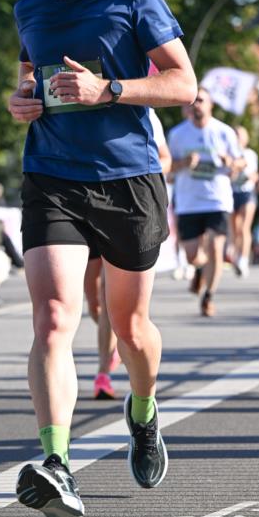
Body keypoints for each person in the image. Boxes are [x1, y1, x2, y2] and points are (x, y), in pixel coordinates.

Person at [8, 0, 196, 517]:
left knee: (130, 328)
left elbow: (183, 84)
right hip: (51, 175)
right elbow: (27, 78)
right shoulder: (29, 7)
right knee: (53, 318)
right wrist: (20, 102)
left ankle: (142, 412)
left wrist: (107, 89)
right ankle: (57, 463)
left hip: (127, 178)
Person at [86, 107, 172, 401]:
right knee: (94, 303)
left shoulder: (143, 111)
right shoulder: (79, 101)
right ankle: (115, 342)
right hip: (80, 199)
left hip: (122, 201)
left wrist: (145, 166)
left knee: (108, 293)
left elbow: (165, 158)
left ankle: (103, 373)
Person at [168, 87, 243, 317]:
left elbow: (241, 163)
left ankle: (208, 296)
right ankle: (200, 270)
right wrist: (183, 163)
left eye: (201, 100)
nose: (196, 105)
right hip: (189, 202)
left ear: (211, 104)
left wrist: (230, 162)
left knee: (215, 247)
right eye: (192, 101)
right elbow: (168, 170)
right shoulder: (178, 134)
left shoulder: (224, 132)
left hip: (217, 200)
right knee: (192, 256)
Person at [230, 126, 258, 278]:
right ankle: (235, 256)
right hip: (232, 192)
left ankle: (244, 259)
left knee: (244, 227)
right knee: (235, 228)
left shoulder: (250, 154)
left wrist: (249, 175)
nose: (238, 138)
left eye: (240, 135)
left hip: (247, 192)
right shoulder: (229, 153)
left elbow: (254, 174)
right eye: (235, 135)